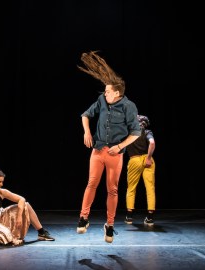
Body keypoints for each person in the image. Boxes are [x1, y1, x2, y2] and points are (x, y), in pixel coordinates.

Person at [76, 51, 141, 243]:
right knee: (91, 183)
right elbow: (85, 115)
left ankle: (110, 226)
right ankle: (83, 218)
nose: (104, 93)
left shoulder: (129, 106)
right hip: (97, 150)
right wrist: (87, 132)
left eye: (107, 91)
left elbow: (135, 132)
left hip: (115, 154)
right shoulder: (102, 101)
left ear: (117, 93)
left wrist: (120, 145)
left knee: (112, 189)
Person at [0, 168, 55, 246]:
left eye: (2, 182)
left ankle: (41, 232)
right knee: (7, 236)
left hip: (0, 217)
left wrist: (20, 215)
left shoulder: (1, 192)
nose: (1, 184)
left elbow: (21, 199)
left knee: (26, 205)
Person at [125, 115, 156, 226]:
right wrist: (148, 158)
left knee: (131, 188)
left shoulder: (129, 132)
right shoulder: (147, 132)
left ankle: (129, 216)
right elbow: (152, 143)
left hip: (134, 160)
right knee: (150, 188)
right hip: (148, 160)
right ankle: (150, 217)